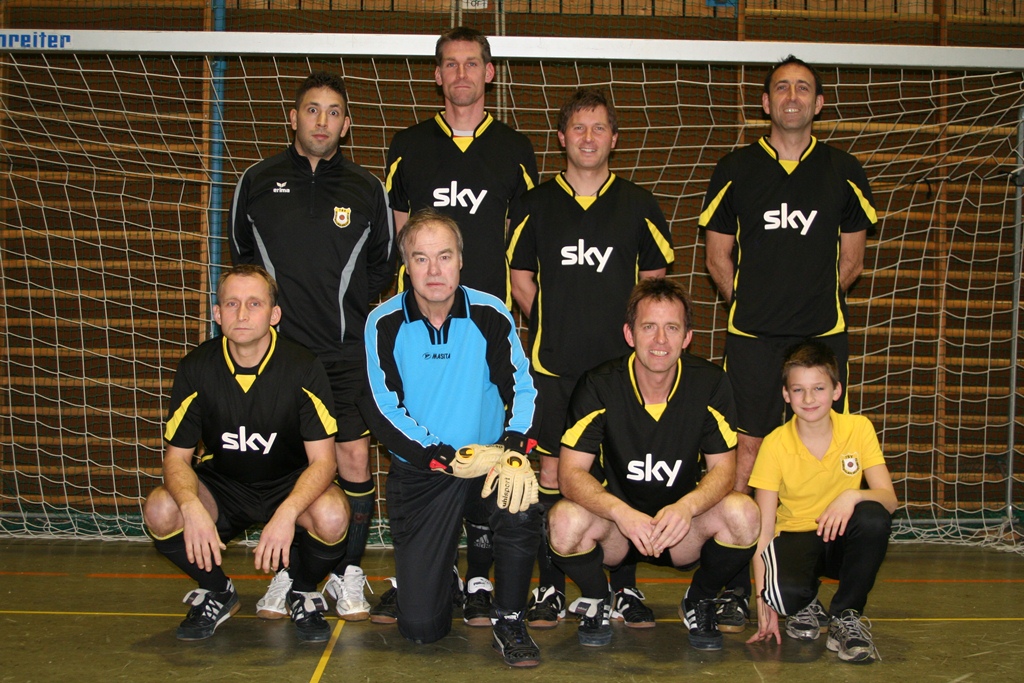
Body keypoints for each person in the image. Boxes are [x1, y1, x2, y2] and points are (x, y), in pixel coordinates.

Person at [699, 55, 878, 627]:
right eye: (782, 87)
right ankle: (741, 581)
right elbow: (717, 256)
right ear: (766, 102)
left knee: (825, 456)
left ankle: (809, 575)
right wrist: (753, 306)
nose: (792, 96)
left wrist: (809, 304)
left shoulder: (843, 169)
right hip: (752, 338)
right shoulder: (735, 168)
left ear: (818, 103)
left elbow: (852, 261)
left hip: (820, 337)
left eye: (803, 88)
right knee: (748, 455)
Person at [383, 26, 539, 624]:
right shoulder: (409, 144)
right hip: (424, 325)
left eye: (472, 63)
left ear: (489, 72)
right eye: (450, 64)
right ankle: (433, 566)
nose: (462, 74)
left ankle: (479, 577)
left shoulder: (515, 148)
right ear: (437, 75)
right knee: (427, 434)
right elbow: (403, 236)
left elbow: (521, 241)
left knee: (485, 439)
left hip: (483, 327)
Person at [230, 71, 395, 622]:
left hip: (345, 355)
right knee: (289, 464)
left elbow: (381, 267)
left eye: (333, 112)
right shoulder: (256, 181)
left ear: (346, 125)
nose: (322, 121)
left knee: (353, 458)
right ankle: (291, 574)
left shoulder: (367, 189)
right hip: (279, 358)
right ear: (293, 117)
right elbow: (243, 259)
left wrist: (343, 313)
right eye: (311, 109)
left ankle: (348, 573)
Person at [507, 88, 674, 628]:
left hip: (619, 374)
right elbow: (520, 279)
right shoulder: (534, 204)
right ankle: (551, 588)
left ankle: (623, 588)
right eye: (578, 128)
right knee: (552, 471)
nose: (588, 137)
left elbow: (654, 285)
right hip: (554, 369)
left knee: (621, 474)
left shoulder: (638, 204)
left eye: (598, 127)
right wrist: (554, 321)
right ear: (561, 138)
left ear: (614, 139)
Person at [361, 209, 544, 667]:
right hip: (424, 473)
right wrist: (445, 456)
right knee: (421, 629)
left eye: (444, 256)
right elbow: (383, 411)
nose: (434, 270)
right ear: (406, 266)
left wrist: (514, 449)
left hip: (488, 463)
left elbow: (522, 388)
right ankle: (439, 579)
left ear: (461, 260)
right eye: (420, 258)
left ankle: (509, 620)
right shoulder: (383, 323)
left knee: (521, 502)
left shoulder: (489, 313)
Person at [547, 278, 760, 651]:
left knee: (744, 514)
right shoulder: (599, 384)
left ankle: (699, 599)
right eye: (649, 327)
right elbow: (569, 474)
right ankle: (598, 596)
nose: (660, 340)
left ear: (687, 337)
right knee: (563, 521)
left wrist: (687, 507)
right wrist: (621, 512)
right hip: (618, 529)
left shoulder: (710, 383)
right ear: (629, 334)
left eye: (672, 328)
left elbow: (725, 470)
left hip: (681, 530)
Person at [142, 265, 349, 643]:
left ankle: (302, 591)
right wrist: (190, 506)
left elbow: (324, 462)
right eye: (231, 303)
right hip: (224, 486)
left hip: (288, 484)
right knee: (160, 509)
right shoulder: (196, 367)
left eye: (254, 304)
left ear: (274, 314)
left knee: (333, 515)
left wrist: (287, 513)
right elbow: (176, 458)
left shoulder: (302, 367)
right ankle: (217, 590)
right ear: (217, 313)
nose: (241, 313)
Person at [746, 341, 896, 663]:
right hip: (795, 538)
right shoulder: (774, 444)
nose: (809, 399)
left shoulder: (858, 428)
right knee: (781, 598)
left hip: (842, 539)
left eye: (818, 388)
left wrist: (852, 495)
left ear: (836, 390)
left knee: (873, 516)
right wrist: (762, 600)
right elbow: (764, 531)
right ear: (786, 394)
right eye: (798, 390)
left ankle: (845, 617)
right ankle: (806, 602)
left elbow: (889, 499)